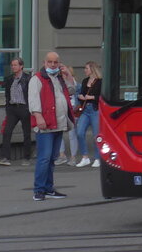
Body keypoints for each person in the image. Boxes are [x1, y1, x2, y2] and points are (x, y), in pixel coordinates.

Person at [28, 52, 76, 201]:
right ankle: (39, 190)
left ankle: (48, 188)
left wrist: (68, 75)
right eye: (50, 62)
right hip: (46, 124)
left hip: (58, 123)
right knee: (44, 158)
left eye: (56, 62)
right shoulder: (37, 78)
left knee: (51, 158)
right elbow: (33, 100)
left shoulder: (59, 78)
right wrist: (38, 116)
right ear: (44, 63)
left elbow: (72, 90)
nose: (53, 65)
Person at [0, 57, 32, 166]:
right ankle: (5, 157)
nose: (13, 67)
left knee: (26, 133)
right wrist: (8, 108)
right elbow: (7, 95)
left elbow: (31, 94)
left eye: (15, 65)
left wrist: (29, 108)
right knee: (7, 131)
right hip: (12, 108)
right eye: (12, 65)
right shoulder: (9, 79)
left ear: (21, 66)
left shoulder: (28, 79)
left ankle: (27, 157)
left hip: (24, 108)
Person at [74, 61, 103, 168]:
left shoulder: (100, 82)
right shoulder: (85, 80)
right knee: (79, 132)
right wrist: (80, 97)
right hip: (85, 110)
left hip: (95, 110)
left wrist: (92, 97)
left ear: (92, 69)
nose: (85, 70)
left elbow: (103, 96)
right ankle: (85, 157)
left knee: (96, 135)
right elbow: (81, 93)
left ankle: (97, 158)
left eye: (86, 68)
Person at [58, 63, 80, 166]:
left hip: (72, 110)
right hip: (61, 109)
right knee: (59, 133)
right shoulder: (59, 83)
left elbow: (74, 89)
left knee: (72, 134)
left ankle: (73, 157)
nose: (63, 75)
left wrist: (68, 74)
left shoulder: (75, 84)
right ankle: (62, 155)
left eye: (65, 73)